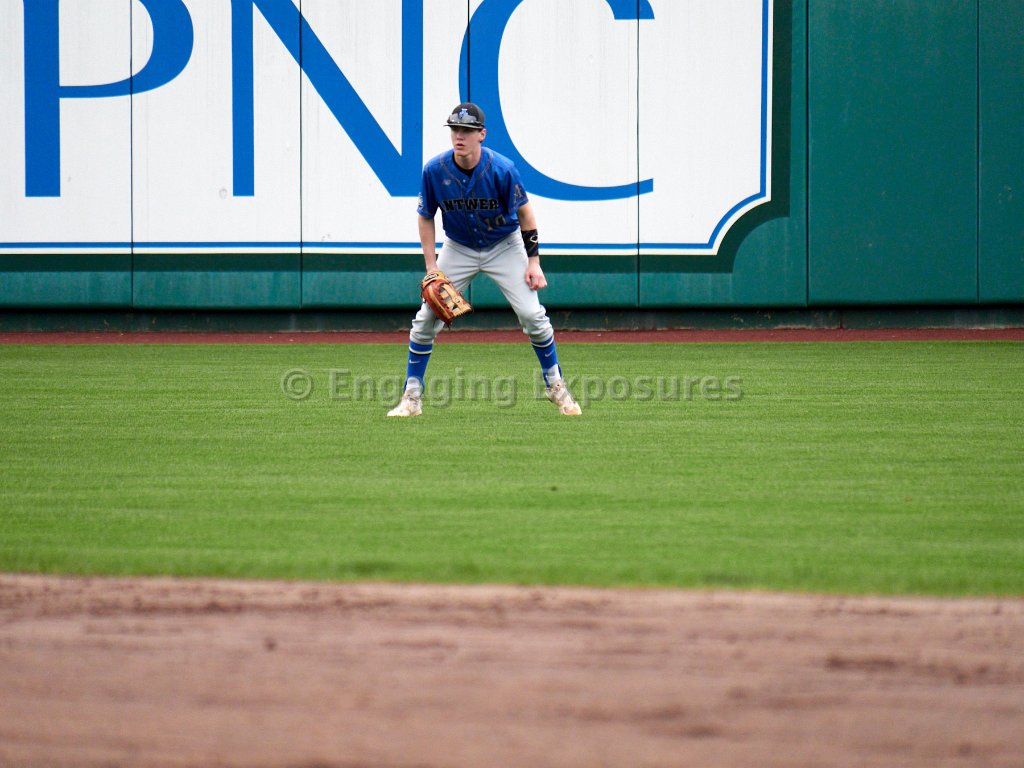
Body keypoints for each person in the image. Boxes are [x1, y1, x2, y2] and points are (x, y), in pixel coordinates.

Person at [387, 102, 582, 417]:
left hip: (504, 245)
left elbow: (525, 214)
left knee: (533, 316)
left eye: (466, 130)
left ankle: (556, 386)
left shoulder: (502, 169)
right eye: (455, 129)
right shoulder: (434, 170)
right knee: (425, 320)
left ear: (482, 134)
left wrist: (533, 262)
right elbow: (425, 216)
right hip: (459, 247)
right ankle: (411, 398)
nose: (459, 136)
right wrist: (432, 267)